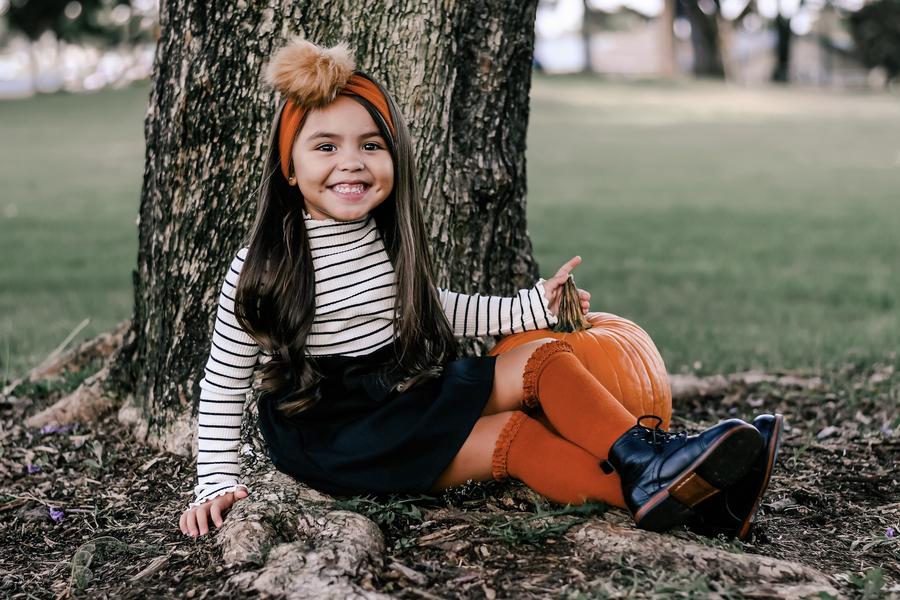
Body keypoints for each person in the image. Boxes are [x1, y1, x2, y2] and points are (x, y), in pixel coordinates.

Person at [179, 38, 782, 540]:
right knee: (515, 440)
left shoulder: (384, 243)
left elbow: (437, 310)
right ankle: (693, 504)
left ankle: (648, 459)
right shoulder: (266, 267)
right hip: (339, 435)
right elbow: (224, 379)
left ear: (396, 157)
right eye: (326, 147)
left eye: (370, 144)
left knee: (543, 357)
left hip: (399, 392)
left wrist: (531, 305)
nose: (352, 162)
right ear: (290, 166)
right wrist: (215, 480)